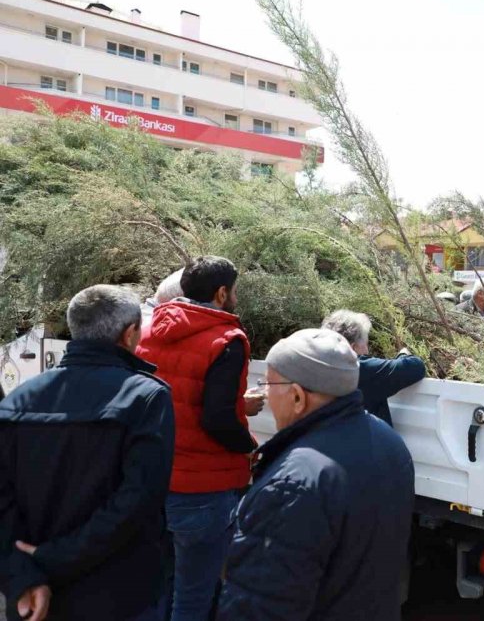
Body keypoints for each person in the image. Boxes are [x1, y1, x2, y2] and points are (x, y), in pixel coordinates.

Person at [0, 285, 174, 621]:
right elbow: (139, 501)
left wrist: (24, 575)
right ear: (130, 333)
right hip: (119, 593)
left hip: (35, 595)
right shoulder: (145, 397)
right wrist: (54, 557)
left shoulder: (18, 399)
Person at [218, 329, 414, 620]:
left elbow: (258, 606)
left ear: (297, 397)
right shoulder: (389, 441)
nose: (266, 394)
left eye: (269, 383)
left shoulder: (292, 485)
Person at [136, 256, 257, 621]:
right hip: (202, 487)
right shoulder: (227, 340)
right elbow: (217, 418)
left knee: (159, 585)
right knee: (194, 596)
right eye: (234, 291)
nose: (235, 297)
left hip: (153, 480)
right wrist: (249, 447)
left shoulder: (147, 330)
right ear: (221, 293)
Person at [321, 309, 426, 426]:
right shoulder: (359, 369)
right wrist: (403, 355)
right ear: (352, 347)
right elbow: (416, 367)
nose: (367, 351)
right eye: (365, 344)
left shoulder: (315, 369)